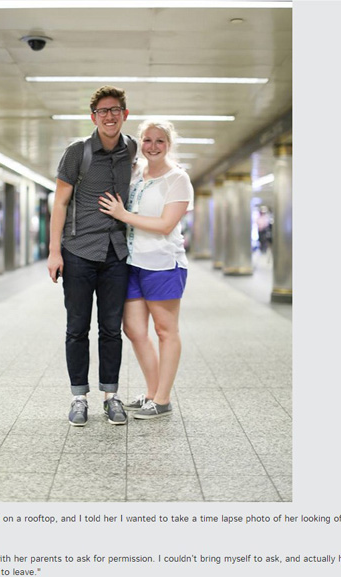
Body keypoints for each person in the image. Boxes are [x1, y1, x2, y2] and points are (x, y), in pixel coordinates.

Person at [47, 86, 135, 427]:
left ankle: (111, 397)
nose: (109, 116)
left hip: (116, 253)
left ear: (125, 114)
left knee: (112, 329)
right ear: (93, 117)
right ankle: (78, 397)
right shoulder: (77, 152)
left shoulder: (131, 148)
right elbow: (59, 203)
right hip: (79, 251)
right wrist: (55, 252)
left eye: (115, 110)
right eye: (103, 111)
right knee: (76, 328)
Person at [98, 119, 194, 419]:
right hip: (132, 262)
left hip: (163, 264)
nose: (153, 146)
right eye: (148, 140)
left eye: (160, 141)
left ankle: (162, 399)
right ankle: (152, 394)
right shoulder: (136, 173)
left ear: (169, 144)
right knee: (135, 330)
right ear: (141, 142)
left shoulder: (178, 179)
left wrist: (124, 215)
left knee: (166, 331)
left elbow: (166, 225)